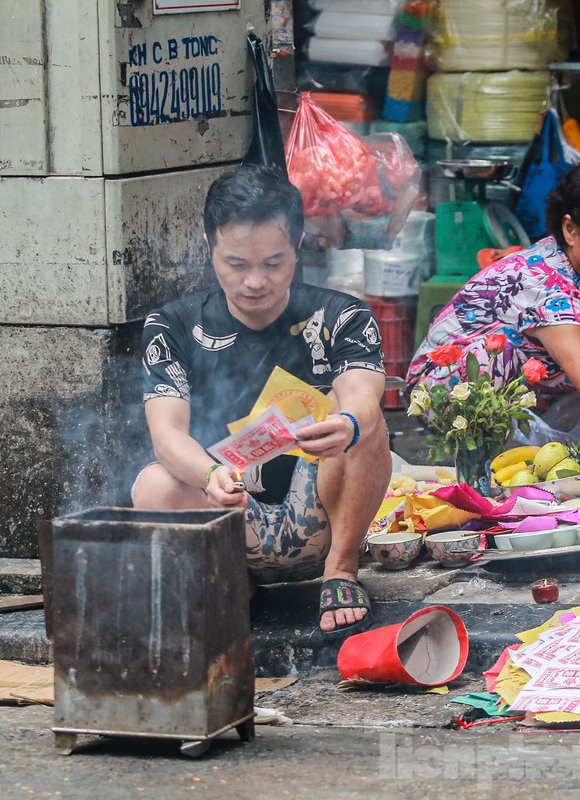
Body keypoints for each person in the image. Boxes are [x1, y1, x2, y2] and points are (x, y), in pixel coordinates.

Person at [131, 165, 391, 634]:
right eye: (237, 264)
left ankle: (341, 569)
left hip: (322, 508)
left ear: (298, 246)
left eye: (272, 263)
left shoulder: (342, 314)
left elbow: (362, 392)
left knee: (365, 423)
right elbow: (165, 433)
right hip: (228, 511)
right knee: (152, 485)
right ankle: (235, 580)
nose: (255, 281)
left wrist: (348, 423)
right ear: (209, 247)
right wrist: (208, 474)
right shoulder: (172, 325)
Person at [406, 159, 580, 462]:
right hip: (442, 392)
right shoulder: (544, 284)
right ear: (570, 229)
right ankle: (488, 457)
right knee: (499, 355)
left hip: (535, 395)